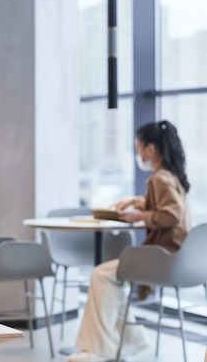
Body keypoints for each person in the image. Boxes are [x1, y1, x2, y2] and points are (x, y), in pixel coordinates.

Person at [68, 120, 192, 362]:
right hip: (181, 261)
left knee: (102, 274)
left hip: (165, 261)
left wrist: (140, 215)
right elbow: (162, 205)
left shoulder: (159, 179)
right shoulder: (170, 177)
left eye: (137, 149)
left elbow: (171, 214)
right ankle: (128, 344)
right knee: (113, 280)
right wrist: (136, 202)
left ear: (150, 150)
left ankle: (100, 350)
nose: (137, 154)